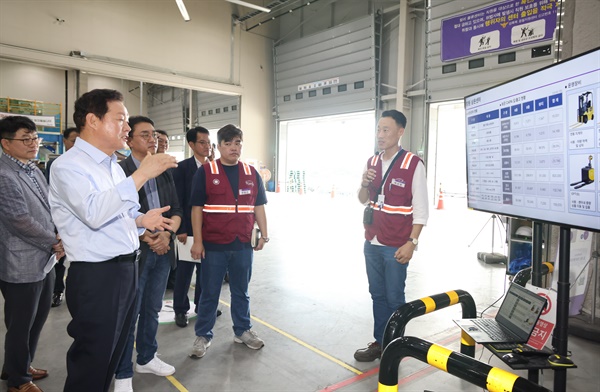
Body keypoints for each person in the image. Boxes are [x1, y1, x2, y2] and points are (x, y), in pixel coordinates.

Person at [48, 89, 178, 392]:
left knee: (112, 353)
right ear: (93, 120)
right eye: (120, 119)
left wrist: (141, 221)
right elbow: (93, 212)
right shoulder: (68, 166)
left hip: (125, 268)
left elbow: (118, 212)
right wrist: (141, 175)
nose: (127, 128)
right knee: (91, 360)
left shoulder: (110, 165)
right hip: (97, 275)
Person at [113, 116, 183, 392]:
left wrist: (166, 234)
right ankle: (122, 372)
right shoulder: (121, 171)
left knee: (152, 308)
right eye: (144, 134)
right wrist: (149, 236)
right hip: (135, 252)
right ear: (129, 140)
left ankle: (146, 357)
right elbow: (118, 215)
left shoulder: (165, 170)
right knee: (129, 313)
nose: (152, 139)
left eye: (153, 134)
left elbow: (176, 209)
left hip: (163, 249)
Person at [354, 110, 429, 362]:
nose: (381, 135)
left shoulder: (412, 164)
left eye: (386, 130)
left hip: (396, 244)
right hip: (372, 241)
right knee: (377, 294)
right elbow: (362, 200)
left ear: (400, 132)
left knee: (395, 297)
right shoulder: (372, 162)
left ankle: (395, 346)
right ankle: (380, 342)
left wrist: (412, 242)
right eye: (378, 129)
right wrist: (364, 183)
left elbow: (421, 210)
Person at [189, 124, 269, 358]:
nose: (234, 148)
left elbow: (258, 206)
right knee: (210, 292)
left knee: (241, 291)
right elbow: (196, 209)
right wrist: (198, 241)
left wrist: (264, 234)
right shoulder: (205, 172)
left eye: (238, 143)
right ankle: (203, 335)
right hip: (214, 244)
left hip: (242, 243)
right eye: (228, 143)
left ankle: (242, 330)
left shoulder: (251, 173)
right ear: (219, 146)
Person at [0, 115, 63, 392]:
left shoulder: (33, 169)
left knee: (36, 320)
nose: (33, 143)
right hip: (21, 261)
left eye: (35, 138)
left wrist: (58, 237)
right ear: (5, 143)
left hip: (44, 260)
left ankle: (19, 366)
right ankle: (18, 381)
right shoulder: (3, 175)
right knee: (21, 324)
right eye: (25, 139)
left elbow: (49, 208)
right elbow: (19, 220)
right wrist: (54, 241)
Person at [171, 127, 211, 328]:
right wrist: (181, 229)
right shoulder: (182, 168)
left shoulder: (214, 167)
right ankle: (180, 310)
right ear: (191, 145)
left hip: (209, 232)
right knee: (184, 273)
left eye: (208, 142)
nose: (207, 146)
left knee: (206, 273)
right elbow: (178, 200)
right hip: (188, 231)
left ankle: (202, 307)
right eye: (202, 142)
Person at [45, 126, 80, 307]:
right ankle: (57, 291)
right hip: (60, 220)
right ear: (64, 141)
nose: (76, 144)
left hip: (81, 221)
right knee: (59, 259)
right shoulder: (56, 164)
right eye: (73, 140)